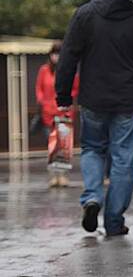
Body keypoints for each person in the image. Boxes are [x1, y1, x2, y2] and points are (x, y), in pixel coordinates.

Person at [55, 0, 133, 236]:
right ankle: (114, 221)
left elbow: (68, 58)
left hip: (93, 98)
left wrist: (63, 96)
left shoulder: (84, 15)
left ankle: (93, 196)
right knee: (123, 159)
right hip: (128, 99)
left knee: (93, 148)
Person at [35, 42, 79, 187]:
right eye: (54, 53)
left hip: (64, 113)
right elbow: (39, 88)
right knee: (51, 145)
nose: (56, 56)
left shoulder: (69, 70)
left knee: (64, 146)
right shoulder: (44, 70)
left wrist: (65, 98)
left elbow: (75, 88)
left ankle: (63, 176)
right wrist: (43, 101)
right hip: (48, 113)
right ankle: (53, 176)